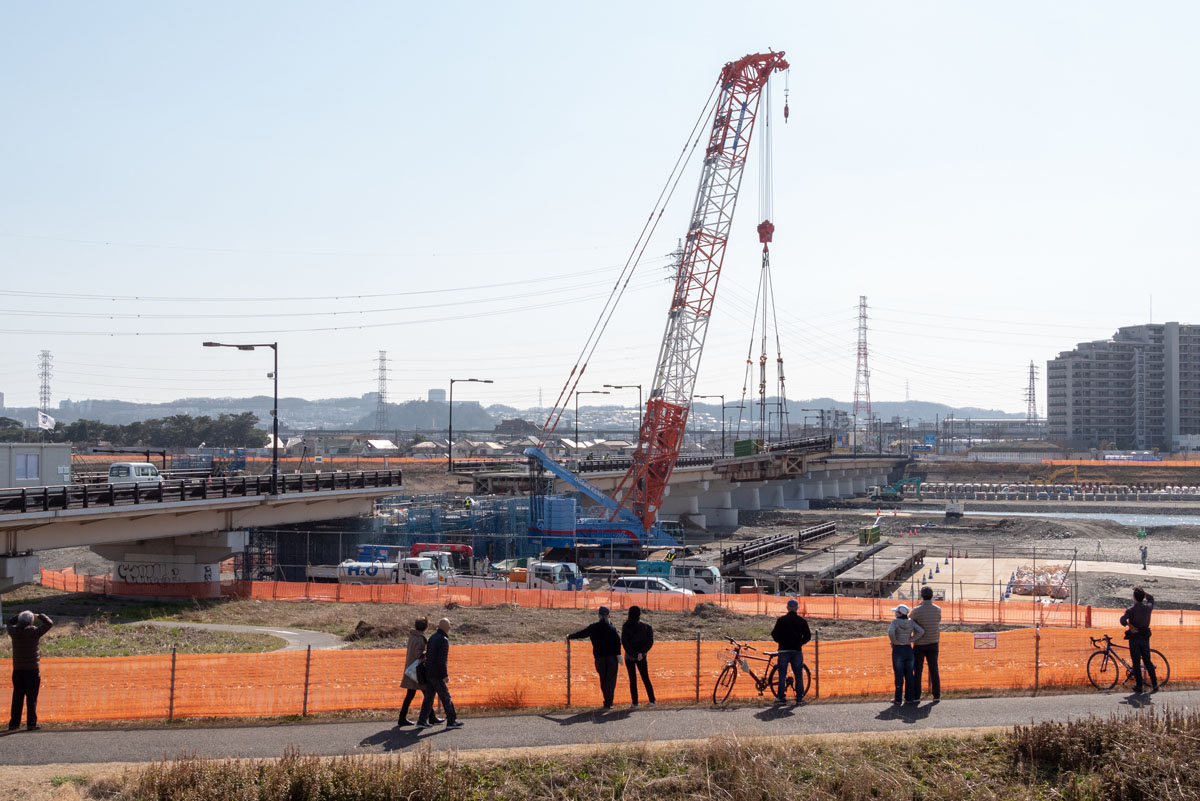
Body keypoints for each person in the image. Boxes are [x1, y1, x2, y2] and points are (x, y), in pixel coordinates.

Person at [7, 610, 53, 731]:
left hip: (18, 670)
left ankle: (13, 724)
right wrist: (40, 616)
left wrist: (19, 616)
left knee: (17, 697)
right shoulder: (34, 632)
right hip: (32, 670)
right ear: (31, 621)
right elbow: (49, 623)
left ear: (20, 621)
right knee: (32, 698)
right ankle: (31, 724)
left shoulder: (13, 632)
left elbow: (9, 622)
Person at [568, 606, 622, 709]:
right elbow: (618, 643)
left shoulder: (593, 627)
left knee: (603, 679)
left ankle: (607, 701)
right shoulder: (612, 628)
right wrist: (619, 655)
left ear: (599, 615)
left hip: (599, 658)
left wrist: (570, 636)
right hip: (611, 659)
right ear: (608, 615)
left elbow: (582, 634)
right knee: (611, 680)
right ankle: (608, 702)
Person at [417, 618, 462, 728]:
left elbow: (428, 655)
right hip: (437, 674)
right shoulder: (443, 640)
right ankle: (451, 721)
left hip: (429, 672)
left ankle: (422, 721)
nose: (450, 627)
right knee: (446, 697)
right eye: (449, 625)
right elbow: (442, 660)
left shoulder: (432, 637)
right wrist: (445, 675)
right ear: (447, 628)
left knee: (428, 698)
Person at [397, 617, 441, 727]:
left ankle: (402, 718)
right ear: (426, 627)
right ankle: (431, 717)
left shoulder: (412, 636)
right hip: (418, 671)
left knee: (410, 695)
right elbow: (419, 655)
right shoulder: (420, 638)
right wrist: (427, 654)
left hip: (410, 670)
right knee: (427, 694)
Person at [769, 598, 811, 704]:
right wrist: (800, 643)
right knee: (798, 674)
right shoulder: (802, 621)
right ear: (797, 608)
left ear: (787, 608)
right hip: (796, 650)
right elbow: (808, 636)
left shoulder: (781, 620)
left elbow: (774, 634)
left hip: (783, 650)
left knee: (782, 674)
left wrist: (781, 642)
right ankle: (799, 697)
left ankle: (781, 697)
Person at [1119, 586, 1158, 694]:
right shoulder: (1148, 608)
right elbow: (1151, 599)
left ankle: (1139, 685)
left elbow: (1122, 620)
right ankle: (1155, 684)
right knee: (1147, 661)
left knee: (1136, 662)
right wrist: (1143, 592)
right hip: (1145, 638)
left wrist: (1129, 624)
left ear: (1134, 598)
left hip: (1135, 638)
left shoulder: (1131, 610)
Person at [887, 603, 924, 706]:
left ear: (900, 613)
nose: (895, 613)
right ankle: (909, 698)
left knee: (899, 676)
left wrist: (894, 641)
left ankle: (898, 699)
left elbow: (890, 632)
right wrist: (912, 639)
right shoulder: (911, 622)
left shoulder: (895, 622)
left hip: (898, 650)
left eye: (896, 612)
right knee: (909, 675)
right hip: (908, 649)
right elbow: (921, 631)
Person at [910, 586, 942, 701]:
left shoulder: (916, 610)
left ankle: (916, 696)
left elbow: (911, 621)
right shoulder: (938, 609)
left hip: (920, 643)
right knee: (934, 668)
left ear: (921, 596)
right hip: (933, 642)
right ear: (932, 595)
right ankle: (936, 695)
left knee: (918, 670)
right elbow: (938, 620)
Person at [620, 606, 655, 708]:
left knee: (633, 680)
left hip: (629, 657)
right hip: (642, 657)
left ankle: (635, 703)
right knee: (645, 678)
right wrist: (642, 653)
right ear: (639, 615)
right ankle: (652, 700)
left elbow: (625, 643)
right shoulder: (646, 627)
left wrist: (634, 654)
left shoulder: (626, 626)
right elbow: (650, 641)